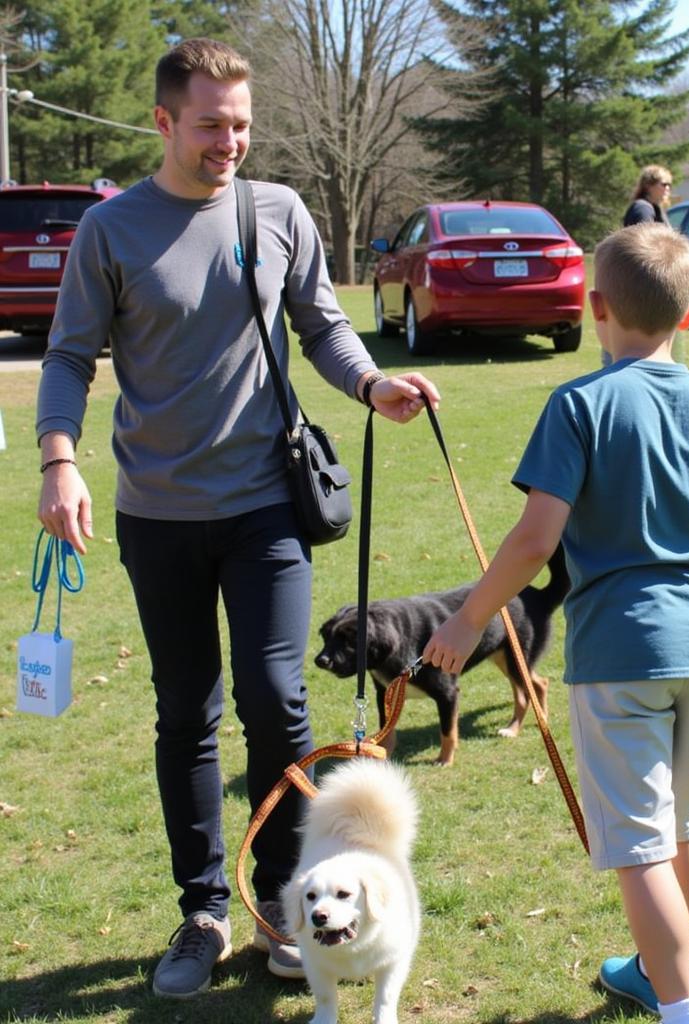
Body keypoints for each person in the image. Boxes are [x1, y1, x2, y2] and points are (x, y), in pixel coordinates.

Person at [35, 38, 440, 1001]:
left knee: (275, 696)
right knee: (188, 710)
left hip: (265, 503)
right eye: (212, 124)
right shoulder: (114, 231)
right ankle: (204, 909)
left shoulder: (278, 211)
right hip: (158, 514)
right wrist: (60, 461)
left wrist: (370, 380)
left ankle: (281, 905)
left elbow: (323, 325)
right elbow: (66, 357)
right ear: (165, 121)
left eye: (243, 124)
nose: (230, 141)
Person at [422, 224, 689, 1024]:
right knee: (680, 823)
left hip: (620, 655)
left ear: (595, 307)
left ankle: (682, 1009)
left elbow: (536, 539)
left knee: (640, 846)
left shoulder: (578, 403)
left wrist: (468, 619)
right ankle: (649, 971)